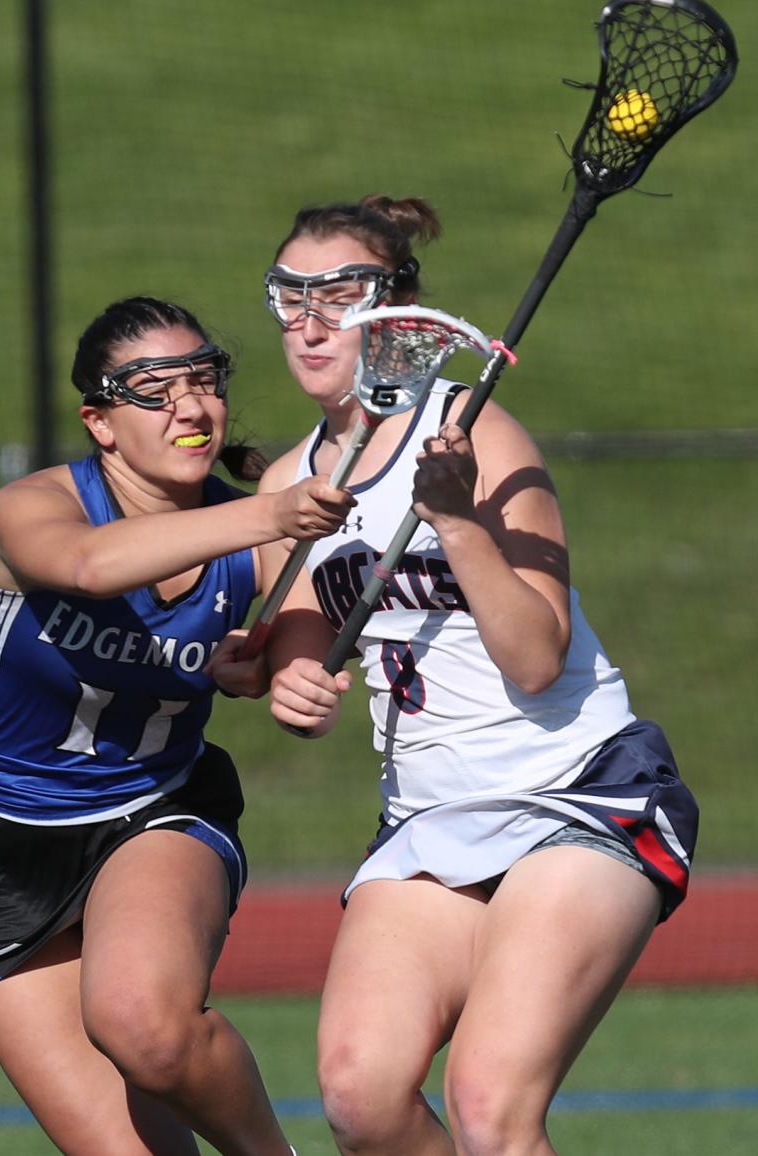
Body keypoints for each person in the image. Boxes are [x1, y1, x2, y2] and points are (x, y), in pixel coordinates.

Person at [215, 196, 699, 1156]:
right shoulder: (285, 491)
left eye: (338, 295)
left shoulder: (477, 435)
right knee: (362, 1097)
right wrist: (280, 685)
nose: (309, 322)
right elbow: (301, 661)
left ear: (396, 315)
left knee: (490, 1107)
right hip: (429, 814)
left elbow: (536, 654)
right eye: (289, 296)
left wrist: (458, 520)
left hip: (575, 788)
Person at [0, 296, 353, 1156]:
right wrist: (272, 509)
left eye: (203, 381)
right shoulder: (37, 507)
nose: (191, 407)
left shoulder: (259, 536)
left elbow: (300, 632)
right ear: (101, 422)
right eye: (153, 391)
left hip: (151, 810)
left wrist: (290, 675)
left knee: (144, 1027)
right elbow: (89, 566)